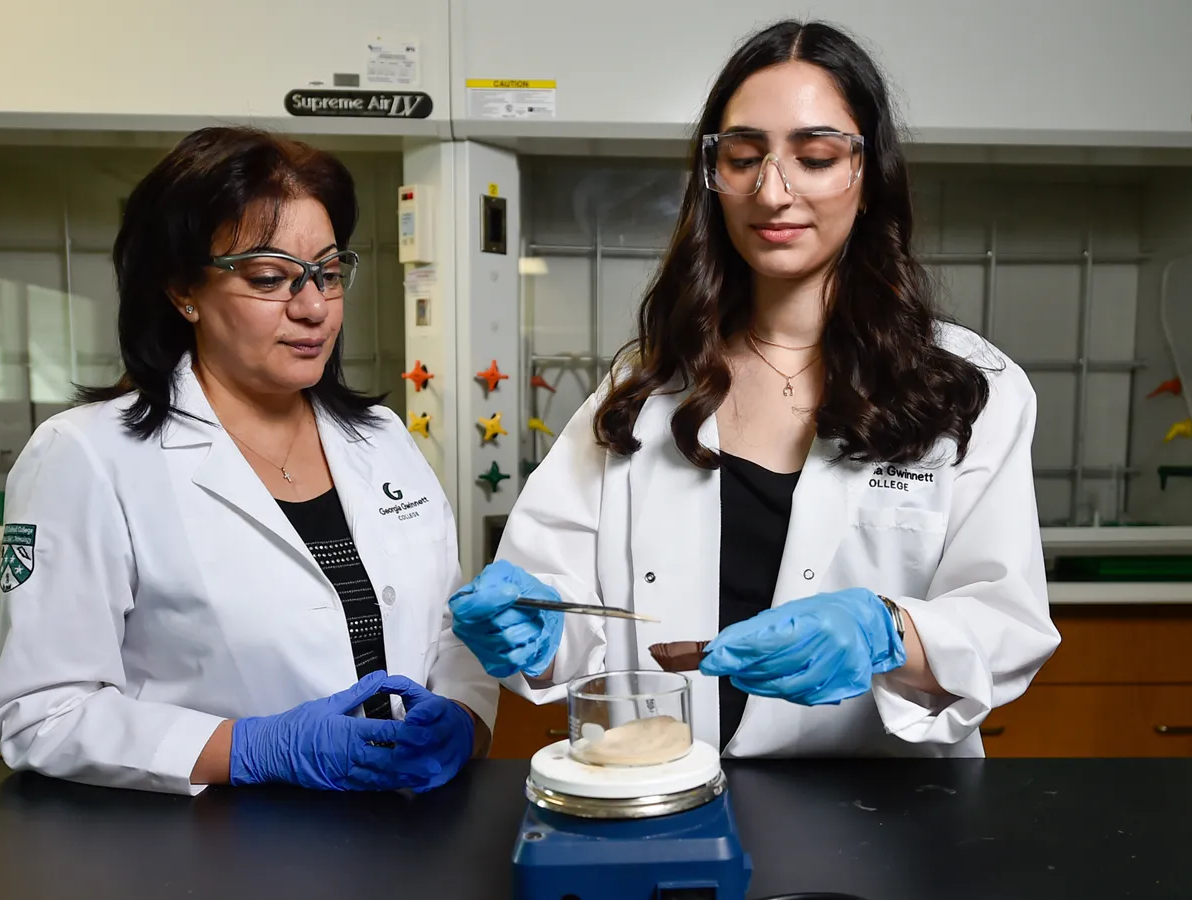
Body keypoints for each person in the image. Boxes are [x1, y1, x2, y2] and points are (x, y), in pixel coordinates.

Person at [448, 20, 1059, 757]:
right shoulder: (645, 384)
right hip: (670, 797)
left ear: (868, 178)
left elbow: (1007, 624)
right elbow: (565, 621)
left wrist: (888, 632)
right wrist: (525, 623)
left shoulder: (970, 388)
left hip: (886, 821)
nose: (774, 191)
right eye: (744, 157)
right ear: (715, 176)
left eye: (816, 156)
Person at [0, 127, 496, 794]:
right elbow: (38, 713)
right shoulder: (89, 457)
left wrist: (460, 715)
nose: (313, 307)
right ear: (181, 290)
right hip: (214, 848)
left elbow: (448, 629)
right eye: (269, 277)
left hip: (409, 832)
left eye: (329, 273)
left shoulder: (381, 436)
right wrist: (250, 748)